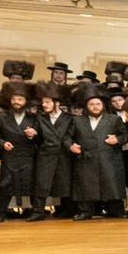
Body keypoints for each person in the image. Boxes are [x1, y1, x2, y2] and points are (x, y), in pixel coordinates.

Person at [68, 85, 125, 219]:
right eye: (92, 104)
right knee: (85, 186)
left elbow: (126, 135)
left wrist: (117, 139)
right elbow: (67, 137)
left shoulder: (114, 119)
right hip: (85, 158)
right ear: (86, 106)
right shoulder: (77, 120)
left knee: (112, 184)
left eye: (98, 104)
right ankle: (85, 211)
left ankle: (116, 210)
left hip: (109, 158)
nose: (95, 107)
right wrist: (70, 145)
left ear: (103, 105)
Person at [0, 79, 40, 219]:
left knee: (30, 184)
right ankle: (0, 213)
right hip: (9, 156)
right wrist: (2, 143)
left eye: (20, 99)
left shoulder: (34, 118)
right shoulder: (2, 116)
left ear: (26, 101)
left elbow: (40, 138)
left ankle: (34, 211)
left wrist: (33, 135)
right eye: (14, 99)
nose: (16, 102)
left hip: (28, 156)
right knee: (5, 185)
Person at [32, 82, 74, 219]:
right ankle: (38, 212)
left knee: (65, 184)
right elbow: (38, 138)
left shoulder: (69, 118)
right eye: (43, 102)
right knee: (41, 184)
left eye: (47, 102)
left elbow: (71, 136)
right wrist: (33, 134)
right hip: (45, 155)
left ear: (57, 103)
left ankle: (68, 210)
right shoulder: (40, 117)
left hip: (64, 155)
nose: (44, 105)